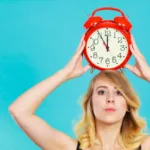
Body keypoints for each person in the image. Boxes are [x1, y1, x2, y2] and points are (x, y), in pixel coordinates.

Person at [8, 34, 150, 150]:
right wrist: (65, 73)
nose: (110, 98)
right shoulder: (66, 147)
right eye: (101, 92)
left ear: (128, 105)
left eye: (119, 93)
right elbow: (19, 110)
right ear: (90, 103)